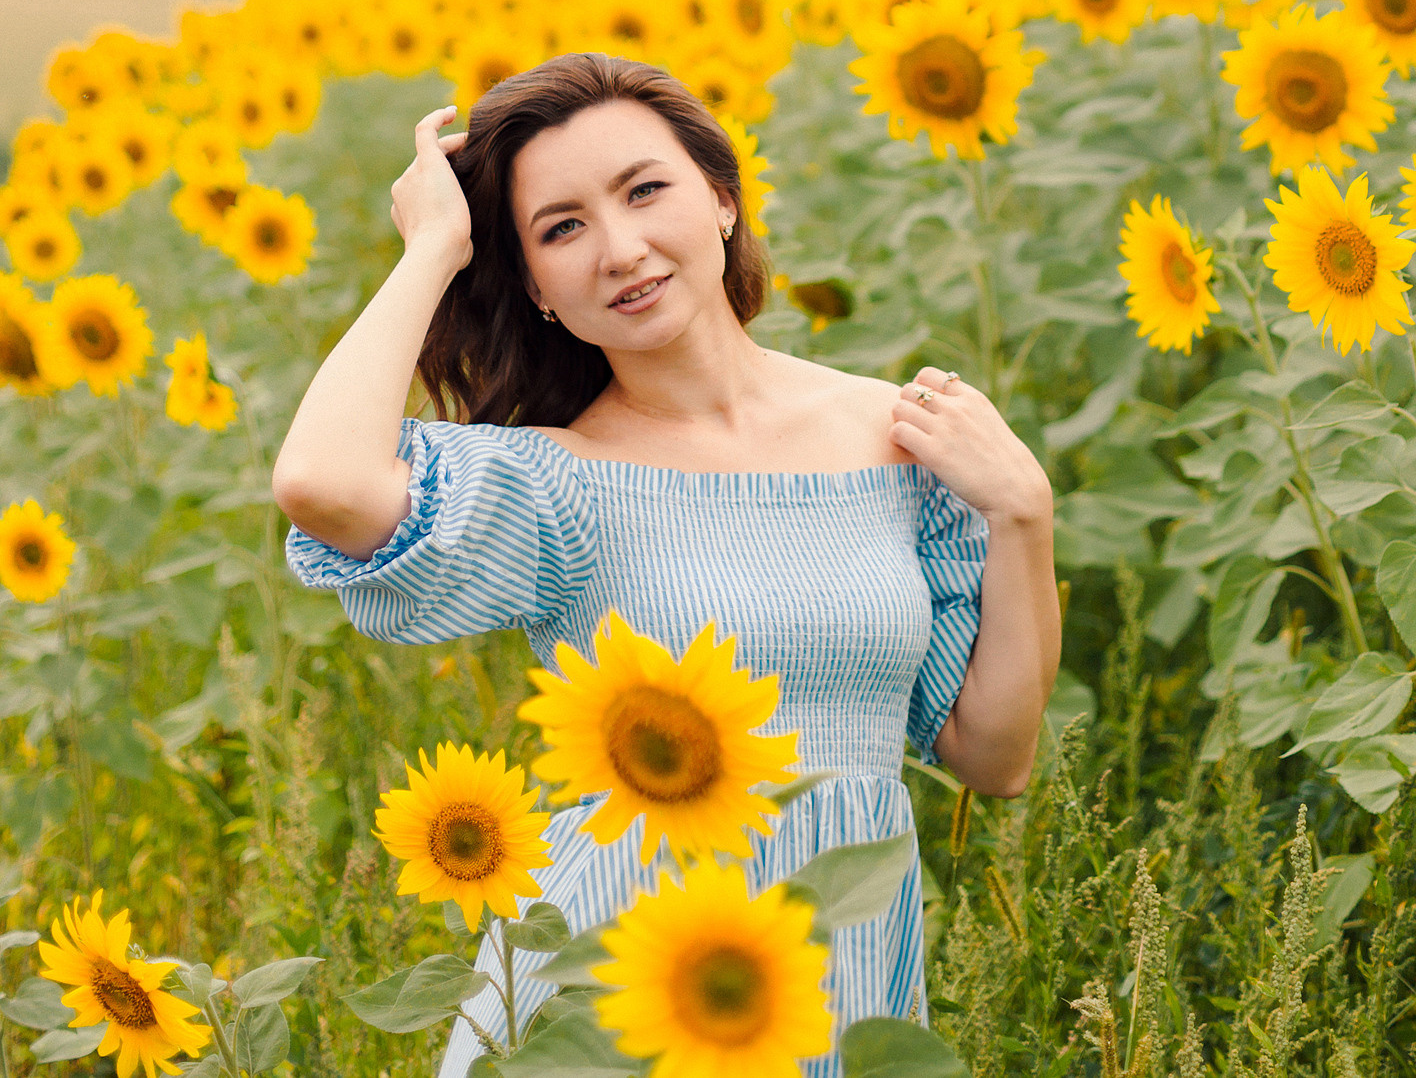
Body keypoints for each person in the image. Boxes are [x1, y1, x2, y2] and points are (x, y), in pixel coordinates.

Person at [271, 53, 1061, 1075]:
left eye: (645, 190)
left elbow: (994, 757)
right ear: (536, 287)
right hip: (612, 999)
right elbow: (323, 481)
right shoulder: (564, 484)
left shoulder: (900, 433)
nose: (622, 247)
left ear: (722, 199)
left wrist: (1025, 517)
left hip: (833, 980)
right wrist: (431, 247)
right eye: (562, 228)